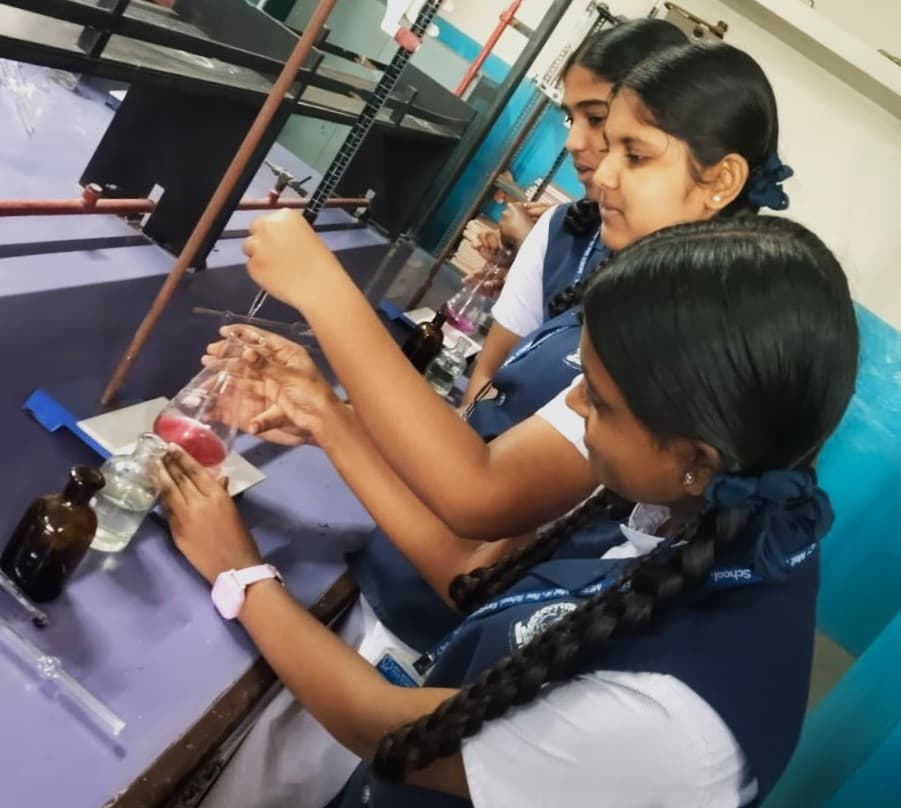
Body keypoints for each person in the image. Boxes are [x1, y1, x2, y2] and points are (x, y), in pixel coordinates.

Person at [160, 215, 858, 807]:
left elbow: (385, 728)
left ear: (696, 457)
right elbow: (473, 581)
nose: (574, 403)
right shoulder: (699, 514)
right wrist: (327, 419)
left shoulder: (669, 723)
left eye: (599, 400)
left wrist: (239, 573)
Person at [231, 42, 797, 546]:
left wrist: (329, 295)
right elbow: (479, 417)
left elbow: (483, 501)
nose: (599, 170)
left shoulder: (676, 330)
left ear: (720, 180)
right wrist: (328, 414)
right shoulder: (618, 276)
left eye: (636, 153)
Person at [459, 19, 688, 408]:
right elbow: (489, 374)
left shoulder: (688, 293)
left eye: (596, 119)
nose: (572, 141)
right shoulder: (562, 230)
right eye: (572, 118)